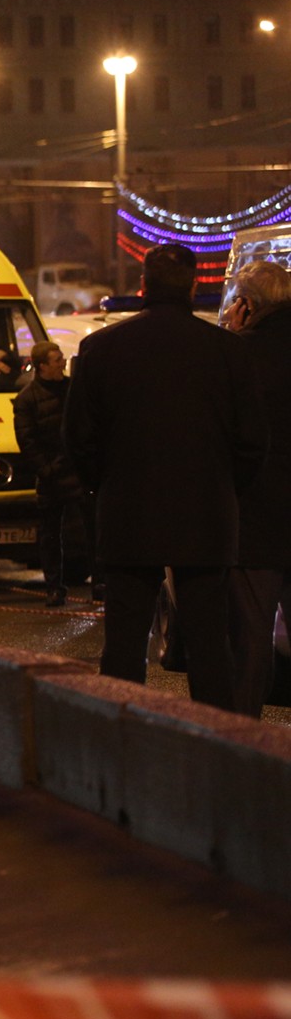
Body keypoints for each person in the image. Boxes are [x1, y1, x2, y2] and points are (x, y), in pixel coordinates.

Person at [65, 243, 268, 711]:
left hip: (128, 511)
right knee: (209, 644)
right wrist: (224, 488)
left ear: (143, 287)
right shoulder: (227, 351)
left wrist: (105, 484)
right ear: (194, 286)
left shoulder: (101, 349)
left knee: (123, 644)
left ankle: (120, 731)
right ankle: (214, 735)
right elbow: (252, 440)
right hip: (205, 514)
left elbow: (78, 438)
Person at [221, 261, 291, 715]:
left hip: (256, 520)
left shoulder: (236, 356)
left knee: (250, 642)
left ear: (245, 305)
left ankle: (243, 739)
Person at [12, 340, 96, 608]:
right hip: (52, 476)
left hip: (78, 471)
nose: (62, 363)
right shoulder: (28, 398)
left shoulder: (73, 389)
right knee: (50, 534)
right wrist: (46, 469)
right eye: (57, 359)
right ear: (42, 366)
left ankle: (100, 584)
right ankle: (54, 586)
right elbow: (27, 440)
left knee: (91, 530)